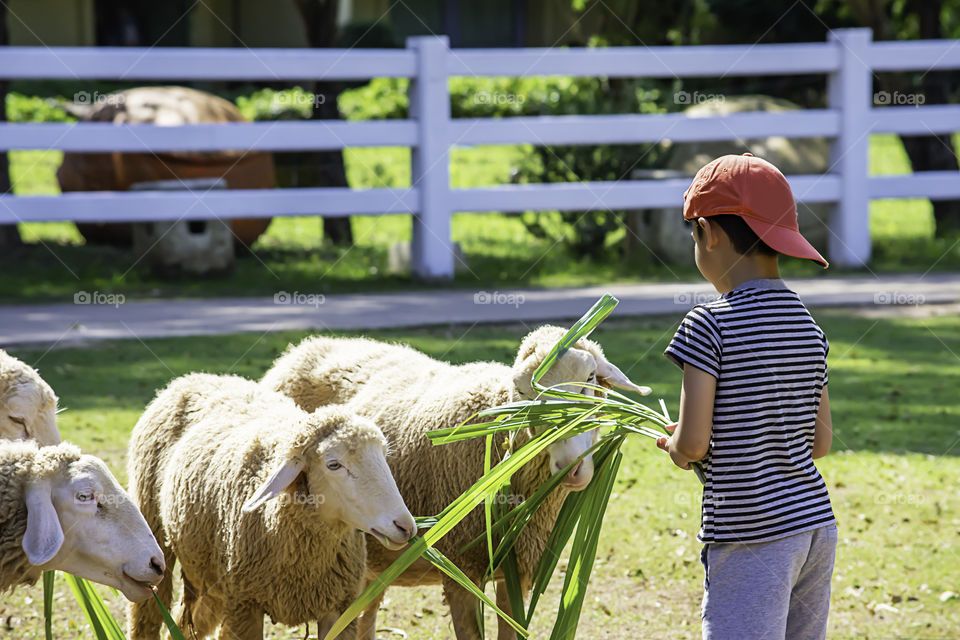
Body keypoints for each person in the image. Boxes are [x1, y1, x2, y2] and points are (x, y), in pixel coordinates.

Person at [656, 153, 837, 640]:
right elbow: (819, 442)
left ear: (708, 233)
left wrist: (675, 446)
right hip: (814, 527)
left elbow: (693, 445)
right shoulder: (807, 324)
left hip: (750, 532)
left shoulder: (707, 323)